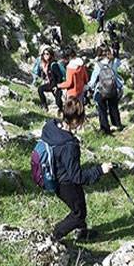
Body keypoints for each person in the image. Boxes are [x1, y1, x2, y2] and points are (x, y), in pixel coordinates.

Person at [40, 98, 114, 241]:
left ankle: (82, 232)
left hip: (51, 174)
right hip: (65, 183)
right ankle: (55, 235)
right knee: (79, 213)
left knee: (79, 203)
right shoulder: (70, 145)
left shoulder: (50, 126)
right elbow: (77, 177)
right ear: (75, 121)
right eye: (82, 119)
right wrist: (100, 170)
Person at [87, 47, 124, 134]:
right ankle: (117, 124)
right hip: (113, 89)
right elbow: (119, 64)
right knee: (114, 107)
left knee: (102, 109)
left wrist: (89, 87)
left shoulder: (98, 65)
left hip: (101, 91)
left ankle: (105, 128)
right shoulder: (113, 62)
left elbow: (93, 81)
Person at [31, 46, 65, 111]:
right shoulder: (47, 63)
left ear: (51, 55)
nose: (45, 55)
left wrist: (57, 86)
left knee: (58, 101)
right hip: (51, 84)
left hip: (56, 85)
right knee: (40, 89)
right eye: (44, 54)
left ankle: (62, 111)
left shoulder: (53, 64)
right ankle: (44, 106)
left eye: (47, 54)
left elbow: (59, 76)